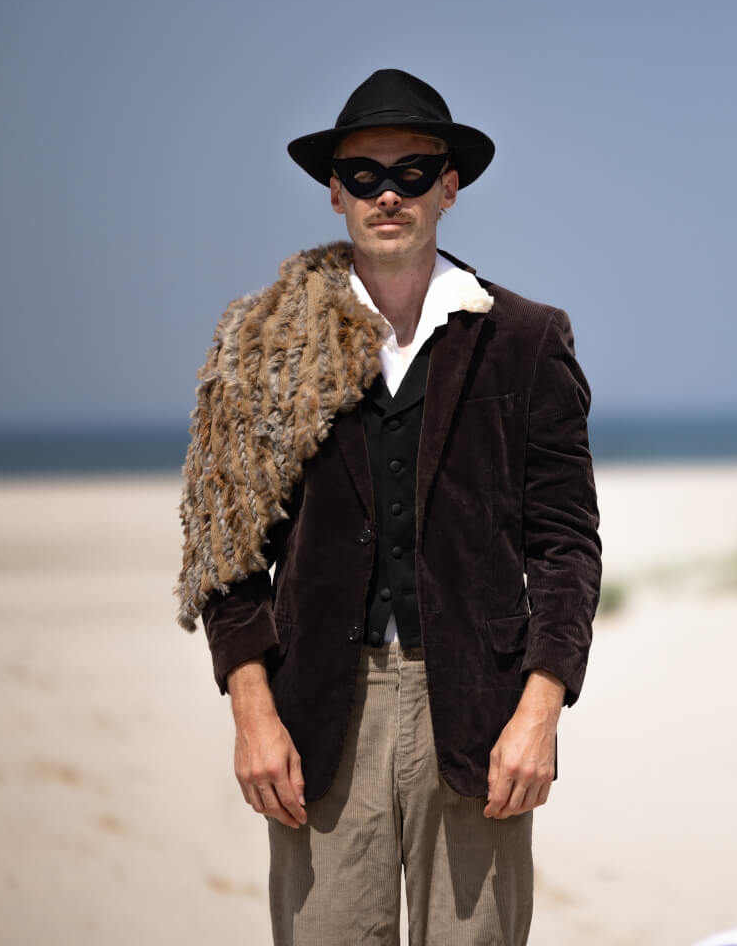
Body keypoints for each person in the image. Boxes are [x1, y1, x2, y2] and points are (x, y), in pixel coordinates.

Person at [175, 69, 601, 945]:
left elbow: (565, 548)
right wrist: (252, 714)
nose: (389, 193)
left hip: (481, 716)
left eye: (413, 171)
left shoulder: (524, 338)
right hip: (319, 721)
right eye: (364, 175)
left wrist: (538, 713)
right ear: (334, 192)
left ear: (449, 186)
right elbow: (223, 552)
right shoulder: (263, 342)